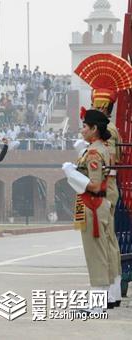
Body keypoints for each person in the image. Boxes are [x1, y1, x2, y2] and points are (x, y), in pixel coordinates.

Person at [74, 53, 132, 308]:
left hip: (98, 194)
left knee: (100, 244)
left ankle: (103, 296)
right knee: (108, 243)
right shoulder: (104, 138)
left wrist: (74, 171)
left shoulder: (103, 140)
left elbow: (97, 174)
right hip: (102, 192)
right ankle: (112, 291)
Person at [62, 109, 112, 315]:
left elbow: (94, 183)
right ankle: (101, 299)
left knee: (95, 254)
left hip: (93, 205)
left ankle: (98, 304)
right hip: (98, 204)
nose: (82, 130)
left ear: (94, 129)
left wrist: (72, 174)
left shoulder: (94, 152)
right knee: (100, 253)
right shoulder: (101, 149)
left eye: (85, 126)